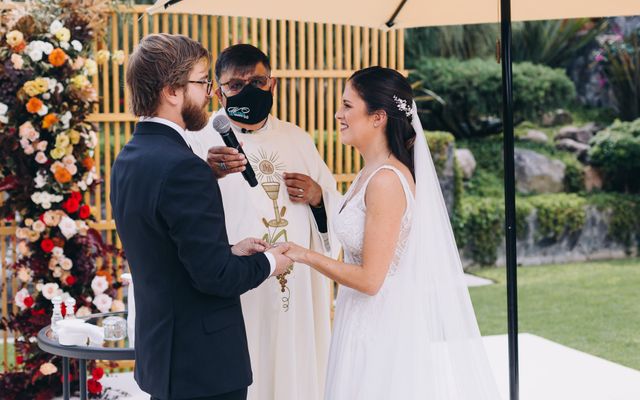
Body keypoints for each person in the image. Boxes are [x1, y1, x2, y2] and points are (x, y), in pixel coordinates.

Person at [285, 67, 502, 400]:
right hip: (357, 319)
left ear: (378, 117)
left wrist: (303, 254)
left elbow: (372, 279)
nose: (337, 114)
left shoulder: (385, 181)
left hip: (380, 329)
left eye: (347, 106)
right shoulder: (368, 173)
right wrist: (318, 198)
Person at [110, 34, 292, 400]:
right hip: (204, 368)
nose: (210, 92)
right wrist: (273, 262)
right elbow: (216, 278)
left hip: (164, 357)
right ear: (172, 92)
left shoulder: (128, 159)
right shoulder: (184, 168)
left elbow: (167, 248)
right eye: (202, 81)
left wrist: (228, 248)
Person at [186, 44, 340, 400]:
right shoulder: (199, 141)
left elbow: (336, 214)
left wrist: (318, 197)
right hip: (238, 288)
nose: (248, 91)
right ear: (218, 89)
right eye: (236, 85)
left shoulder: (297, 138)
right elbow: (183, 211)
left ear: (273, 85)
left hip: (294, 288)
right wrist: (205, 174)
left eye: (257, 81)